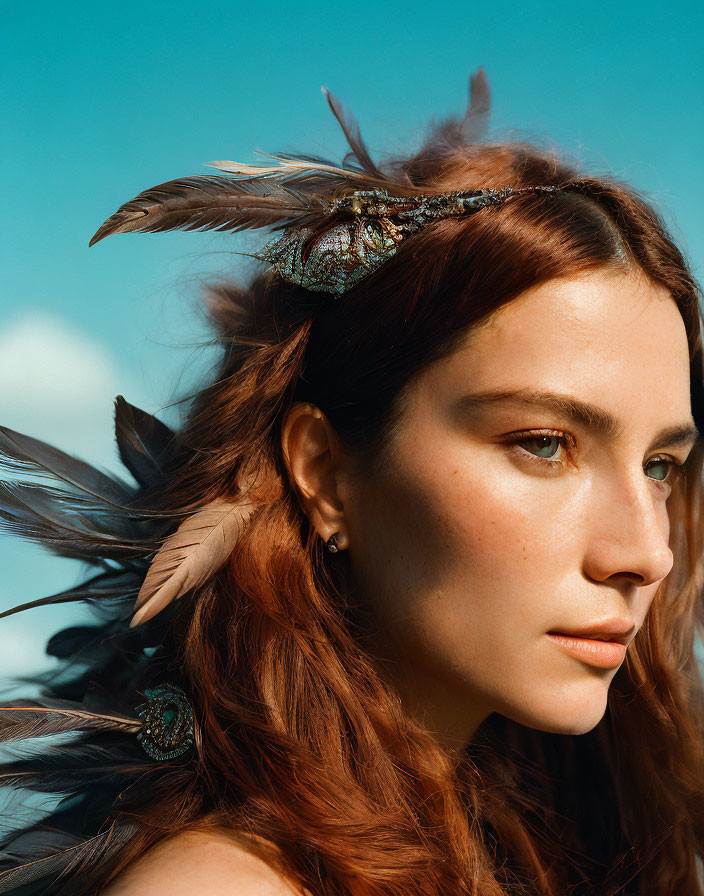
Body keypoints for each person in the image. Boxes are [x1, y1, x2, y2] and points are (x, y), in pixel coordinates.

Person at [0, 66, 703, 896]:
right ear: (325, 473)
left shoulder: (561, 848)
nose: (646, 552)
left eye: (660, 464)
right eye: (544, 444)